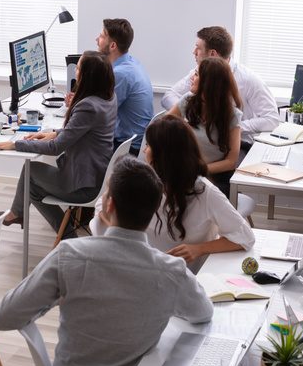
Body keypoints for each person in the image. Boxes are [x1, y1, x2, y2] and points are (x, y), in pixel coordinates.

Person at [0, 156, 212, 366]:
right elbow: (202, 313)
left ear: (107, 205)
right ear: (154, 214)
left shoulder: (69, 255)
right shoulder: (170, 271)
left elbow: (3, 317)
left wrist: (48, 300)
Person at [91, 114, 255, 273]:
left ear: (162, 154)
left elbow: (245, 237)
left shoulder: (204, 192)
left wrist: (199, 249)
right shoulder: (143, 180)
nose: (145, 150)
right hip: (147, 271)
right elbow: (102, 207)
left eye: (148, 145)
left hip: (186, 275)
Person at [0, 51, 116, 239]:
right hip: (98, 176)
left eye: (79, 68)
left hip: (85, 186)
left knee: (29, 171)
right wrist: (53, 133)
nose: (76, 72)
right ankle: (61, 234)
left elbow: (56, 148)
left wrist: (16, 145)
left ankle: (19, 215)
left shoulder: (87, 106)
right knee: (31, 187)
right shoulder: (108, 98)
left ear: (87, 76)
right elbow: (81, 131)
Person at [161, 26, 279, 152]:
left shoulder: (249, 80)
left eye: (198, 48)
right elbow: (169, 96)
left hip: (236, 145)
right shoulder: (197, 74)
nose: (194, 52)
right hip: (202, 142)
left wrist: (232, 128)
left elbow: (271, 119)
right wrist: (188, 113)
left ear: (212, 54)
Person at [167, 57, 243, 196]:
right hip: (188, 174)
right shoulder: (188, 100)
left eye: (196, 74)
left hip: (216, 178)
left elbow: (231, 162)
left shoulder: (232, 115)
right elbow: (163, 126)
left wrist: (198, 170)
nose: (192, 77)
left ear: (208, 83)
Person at [96, 18, 153, 155]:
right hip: (136, 141)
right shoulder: (131, 62)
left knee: (78, 147)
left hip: (128, 147)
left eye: (102, 36)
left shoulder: (120, 73)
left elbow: (100, 114)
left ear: (113, 46)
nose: (96, 39)